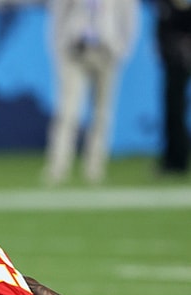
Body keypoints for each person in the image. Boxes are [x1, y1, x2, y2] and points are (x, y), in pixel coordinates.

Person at [41, 0, 139, 186]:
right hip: (75, 51)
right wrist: (60, 47)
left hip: (107, 51)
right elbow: (59, 14)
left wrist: (122, 49)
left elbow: (129, 19)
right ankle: (58, 167)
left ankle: (94, 169)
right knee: (67, 113)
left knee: (102, 114)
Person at [155, 0, 190, 177]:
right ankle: (173, 159)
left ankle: (178, 159)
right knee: (173, 111)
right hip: (172, 58)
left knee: (176, 110)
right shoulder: (164, 6)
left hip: (181, 57)